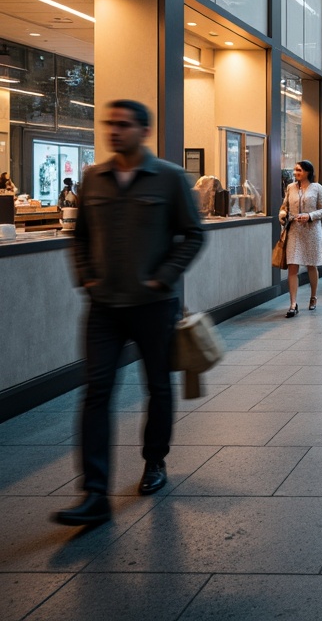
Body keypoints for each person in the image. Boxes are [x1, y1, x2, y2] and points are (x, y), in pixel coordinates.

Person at [52, 100, 205, 527]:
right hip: (104, 307)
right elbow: (80, 237)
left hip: (155, 306)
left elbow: (193, 234)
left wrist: (164, 277)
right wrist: (87, 277)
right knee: (96, 392)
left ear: (144, 130)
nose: (114, 131)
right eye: (109, 125)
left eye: (123, 125)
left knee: (157, 386)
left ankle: (154, 462)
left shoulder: (170, 179)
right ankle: (95, 492)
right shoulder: (93, 179)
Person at [279, 160, 322, 316]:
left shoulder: (317, 188)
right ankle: (293, 304)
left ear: (308, 171)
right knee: (293, 265)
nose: (295, 173)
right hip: (294, 229)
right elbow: (284, 206)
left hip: (312, 230)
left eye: (299, 170)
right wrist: (282, 214)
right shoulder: (290, 187)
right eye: (295, 170)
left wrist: (310, 216)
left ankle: (313, 296)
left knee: (311, 265)